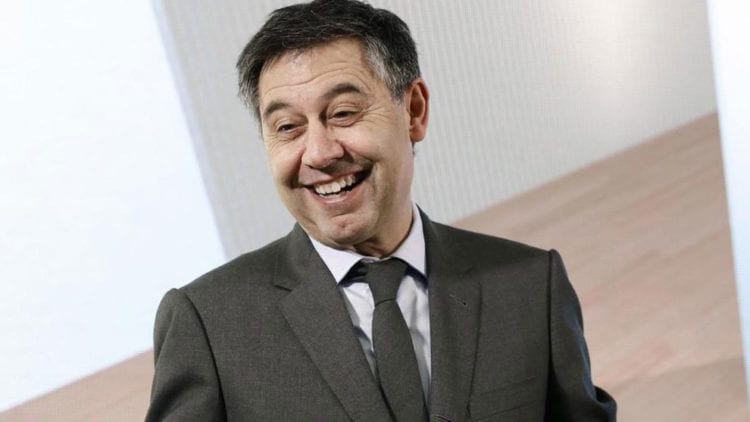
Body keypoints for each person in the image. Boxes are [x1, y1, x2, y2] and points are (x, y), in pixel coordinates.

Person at [145, 0, 617, 420]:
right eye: (288, 127)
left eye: (343, 113)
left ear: (414, 111)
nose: (320, 153)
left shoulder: (530, 284)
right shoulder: (208, 323)